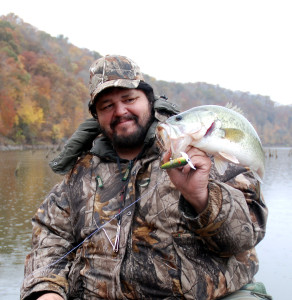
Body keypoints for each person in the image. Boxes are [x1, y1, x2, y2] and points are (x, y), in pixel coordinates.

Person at [21, 55, 272, 300]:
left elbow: (246, 235)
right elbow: (50, 234)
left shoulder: (206, 152)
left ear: (149, 101)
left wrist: (201, 198)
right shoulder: (81, 172)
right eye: (107, 106)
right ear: (97, 116)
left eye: (129, 99)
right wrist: (46, 290)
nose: (120, 111)